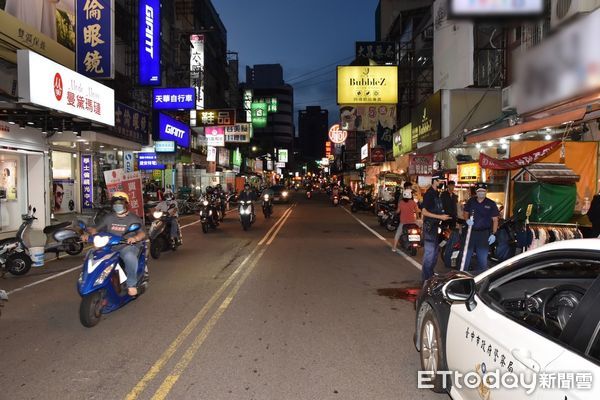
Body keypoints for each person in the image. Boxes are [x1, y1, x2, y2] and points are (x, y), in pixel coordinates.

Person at [82, 192, 147, 297]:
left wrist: (135, 238)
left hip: (126, 246)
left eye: (120, 203)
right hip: (109, 245)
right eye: (115, 203)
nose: (117, 205)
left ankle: (131, 284)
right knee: (91, 254)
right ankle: (87, 281)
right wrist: (88, 234)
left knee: (129, 257)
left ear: (126, 204)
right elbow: (96, 228)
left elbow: (142, 233)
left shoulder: (133, 218)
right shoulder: (109, 217)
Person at [462, 183, 500, 273]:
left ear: (486, 192)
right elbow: (465, 212)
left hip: (484, 234)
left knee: (482, 260)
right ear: (476, 192)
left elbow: (495, 220)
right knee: (465, 257)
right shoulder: (471, 201)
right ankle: (463, 277)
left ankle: (481, 280)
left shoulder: (491, 204)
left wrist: (494, 234)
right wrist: (467, 220)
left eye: (483, 191)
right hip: (471, 233)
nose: (481, 193)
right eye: (479, 191)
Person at [421, 178, 451, 282]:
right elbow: (424, 212)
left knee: (435, 252)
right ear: (434, 181)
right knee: (430, 253)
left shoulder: (436, 193)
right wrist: (440, 217)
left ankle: (430, 274)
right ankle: (426, 278)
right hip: (430, 227)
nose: (442, 183)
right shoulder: (429, 194)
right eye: (440, 181)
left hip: (436, 226)